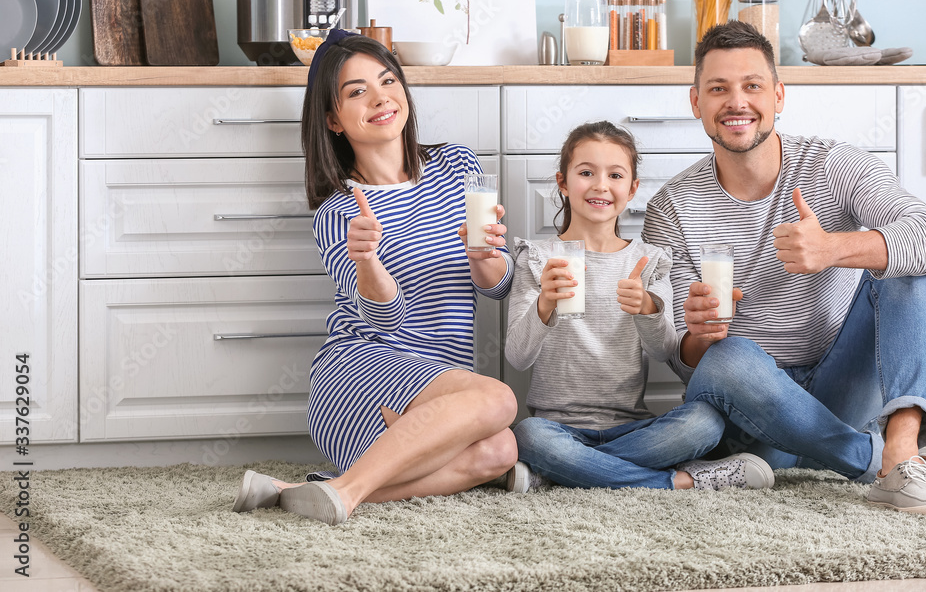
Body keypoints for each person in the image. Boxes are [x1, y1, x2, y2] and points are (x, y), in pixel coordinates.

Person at [642, 20, 926, 517]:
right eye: (718, 88)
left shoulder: (831, 166)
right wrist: (698, 335)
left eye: (752, 86)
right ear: (695, 102)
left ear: (779, 95)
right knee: (729, 359)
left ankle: (900, 446)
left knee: (903, 265)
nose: (736, 102)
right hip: (754, 406)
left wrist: (835, 248)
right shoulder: (673, 205)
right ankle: (897, 465)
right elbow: (684, 361)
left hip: (839, 387)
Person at [231, 31, 518, 525]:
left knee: (501, 451)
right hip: (360, 374)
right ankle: (347, 490)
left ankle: (317, 492)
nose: (381, 97)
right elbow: (384, 318)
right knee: (499, 398)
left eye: (388, 81)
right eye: (356, 91)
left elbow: (500, 286)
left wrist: (484, 256)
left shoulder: (458, 166)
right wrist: (367, 259)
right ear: (332, 119)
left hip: (443, 391)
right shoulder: (339, 212)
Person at [504, 120, 775, 492]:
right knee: (529, 435)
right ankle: (682, 481)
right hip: (557, 426)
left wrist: (648, 308)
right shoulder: (537, 259)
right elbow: (517, 357)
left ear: (631, 189)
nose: (601, 185)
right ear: (563, 183)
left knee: (705, 423)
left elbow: (664, 349)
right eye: (586, 172)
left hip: (632, 425)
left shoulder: (648, 260)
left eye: (615, 175)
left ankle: (561, 472)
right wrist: (544, 304)